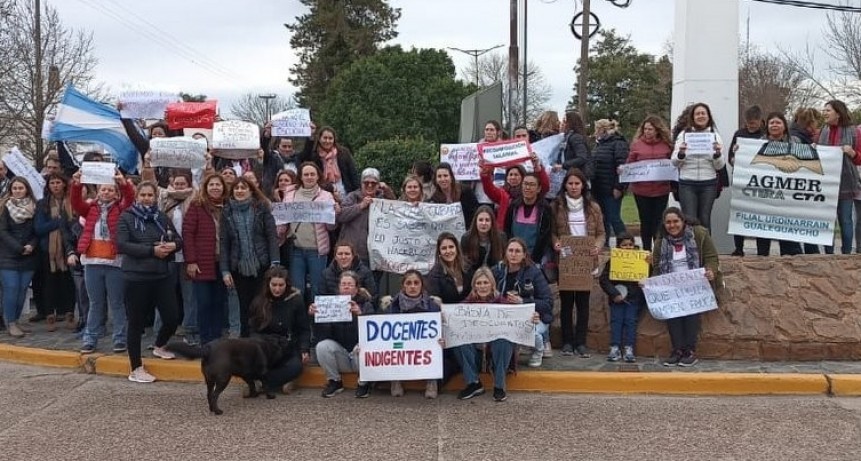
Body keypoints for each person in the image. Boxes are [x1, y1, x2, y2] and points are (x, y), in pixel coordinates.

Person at [117, 181, 183, 383]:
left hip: (161, 275)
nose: (147, 198)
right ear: (137, 196)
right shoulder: (126, 217)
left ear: (155, 197)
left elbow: (178, 240)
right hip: (136, 277)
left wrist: (173, 246)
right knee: (136, 323)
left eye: (150, 195)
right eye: (143, 195)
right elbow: (122, 245)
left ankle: (159, 345)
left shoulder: (161, 217)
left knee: (172, 317)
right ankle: (135, 367)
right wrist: (151, 251)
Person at [452, 267, 539, 402]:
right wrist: (445, 318)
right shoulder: (464, 306)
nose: (482, 286)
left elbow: (519, 326)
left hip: (496, 357)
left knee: (503, 340)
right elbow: (452, 321)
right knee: (458, 339)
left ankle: (499, 386)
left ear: (492, 284)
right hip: (476, 356)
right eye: (479, 283)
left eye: (485, 282)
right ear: (474, 286)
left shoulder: (503, 303)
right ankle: (473, 383)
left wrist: (531, 319)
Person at [72, 170, 135, 354]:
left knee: (117, 303)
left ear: (115, 194)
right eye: (103, 190)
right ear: (98, 192)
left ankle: (119, 339)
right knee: (95, 303)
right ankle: (90, 338)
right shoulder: (90, 208)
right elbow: (75, 203)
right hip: (92, 262)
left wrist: (123, 184)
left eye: (110, 190)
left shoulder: (120, 209)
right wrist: (77, 185)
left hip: (114, 262)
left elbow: (130, 200)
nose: (106, 192)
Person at [652, 207, 720, 367]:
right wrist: (651, 283)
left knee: (691, 316)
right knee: (672, 316)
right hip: (672, 288)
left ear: (683, 221)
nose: (672, 225)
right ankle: (677, 350)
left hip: (695, 286)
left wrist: (711, 271)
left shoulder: (700, 235)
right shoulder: (660, 242)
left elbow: (711, 257)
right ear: (664, 224)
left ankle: (689, 351)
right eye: (668, 222)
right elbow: (656, 266)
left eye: (675, 221)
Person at [552, 168, 605, 357]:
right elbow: (552, 232)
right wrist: (556, 243)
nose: (574, 187)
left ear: (583, 185)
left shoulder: (593, 207)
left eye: (577, 183)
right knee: (566, 303)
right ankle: (567, 341)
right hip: (566, 261)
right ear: (565, 185)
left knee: (583, 304)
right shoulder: (556, 206)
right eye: (570, 183)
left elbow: (601, 233)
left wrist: (597, 247)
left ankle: (581, 342)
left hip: (586, 260)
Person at [220, 177, 279, 338]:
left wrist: (275, 261)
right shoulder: (227, 211)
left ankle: (262, 338)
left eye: (243, 187)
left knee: (262, 304)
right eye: (236, 188)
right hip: (238, 266)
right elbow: (224, 243)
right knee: (244, 306)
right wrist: (225, 271)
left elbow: (271, 236)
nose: (239, 190)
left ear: (251, 190)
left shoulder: (261, 208)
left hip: (262, 264)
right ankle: (245, 341)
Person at [745, 113, 803, 256]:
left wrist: (815, 151)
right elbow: (747, 163)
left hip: (788, 196)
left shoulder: (795, 142)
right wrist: (739, 152)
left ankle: (790, 259)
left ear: (784, 126)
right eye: (772, 123)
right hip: (766, 195)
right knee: (763, 230)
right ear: (767, 126)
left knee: (788, 232)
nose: (775, 125)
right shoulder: (759, 143)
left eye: (778, 122)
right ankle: (762, 259)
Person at [248, 267, 310, 395]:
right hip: (266, 347)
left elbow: (304, 329)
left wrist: (304, 349)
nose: (277, 289)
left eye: (281, 285)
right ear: (268, 284)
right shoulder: (259, 301)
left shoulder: (296, 300)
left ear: (287, 284)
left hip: (288, 347)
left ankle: (262, 383)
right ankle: (277, 382)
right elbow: (252, 330)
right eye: (274, 285)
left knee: (296, 367)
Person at [491, 238, 553, 368]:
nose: (513, 254)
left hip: (533, 317)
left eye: (517, 251)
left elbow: (548, 303)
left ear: (524, 254)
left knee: (531, 332)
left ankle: (538, 350)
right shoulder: (497, 271)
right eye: (510, 251)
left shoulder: (534, 272)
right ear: (505, 253)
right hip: (504, 317)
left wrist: (523, 302)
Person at [313, 271, 375, 398]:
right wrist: (316, 316)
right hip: (342, 355)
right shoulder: (330, 305)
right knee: (322, 346)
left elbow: (372, 333)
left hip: (358, 355)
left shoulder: (366, 304)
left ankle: (364, 382)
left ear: (357, 288)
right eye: (343, 284)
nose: (346, 287)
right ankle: (335, 381)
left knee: (364, 346)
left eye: (350, 284)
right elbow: (323, 335)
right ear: (339, 287)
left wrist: (360, 314)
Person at [280, 162, 338, 300]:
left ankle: (315, 314)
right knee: (296, 290)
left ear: (318, 176)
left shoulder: (326, 196)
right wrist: (278, 234)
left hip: (317, 251)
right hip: (296, 250)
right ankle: (299, 314)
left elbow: (331, 228)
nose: (309, 177)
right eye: (306, 174)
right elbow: (283, 222)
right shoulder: (290, 195)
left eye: (312, 174)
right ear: (301, 177)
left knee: (317, 289)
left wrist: (334, 214)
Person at [183, 173, 228, 345]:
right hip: (202, 262)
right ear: (206, 187)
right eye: (211, 185)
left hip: (222, 263)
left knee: (219, 302)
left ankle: (216, 340)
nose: (215, 187)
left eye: (218, 184)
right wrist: (191, 261)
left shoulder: (228, 206)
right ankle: (206, 340)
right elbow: (187, 233)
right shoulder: (197, 206)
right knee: (204, 302)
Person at [386, 269, 442, 399]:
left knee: (435, 347)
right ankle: (395, 379)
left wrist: (441, 339)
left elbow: (440, 329)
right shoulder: (393, 305)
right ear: (403, 286)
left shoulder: (433, 306)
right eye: (409, 283)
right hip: (401, 344)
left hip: (424, 346)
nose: (412, 286)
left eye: (416, 283)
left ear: (422, 285)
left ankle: (431, 381)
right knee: (393, 347)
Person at [672, 102, 725, 232]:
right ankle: (690, 245)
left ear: (708, 116)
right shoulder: (684, 135)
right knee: (689, 219)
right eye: (697, 114)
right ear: (693, 117)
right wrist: (681, 154)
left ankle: (705, 245)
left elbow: (720, 166)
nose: (700, 116)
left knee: (704, 219)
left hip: (708, 183)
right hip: (687, 183)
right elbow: (674, 162)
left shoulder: (715, 136)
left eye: (703, 113)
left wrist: (717, 154)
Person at [34, 173, 77, 332]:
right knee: (49, 283)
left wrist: (63, 223)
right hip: (49, 250)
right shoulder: (43, 204)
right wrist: (60, 222)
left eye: (58, 182)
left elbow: (74, 225)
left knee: (68, 283)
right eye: (52, 183)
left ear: (64, 184)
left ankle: (69, 314)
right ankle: (49, 315)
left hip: (68, 248)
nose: (55, 186)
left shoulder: (71, 201)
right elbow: (39, 228)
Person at [819, 99, 861, 255]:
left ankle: (846, 254)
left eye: (828, 110)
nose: (824, 113)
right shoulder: (823, 131)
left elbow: (859, 158)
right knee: (828, 220)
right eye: (824, 110)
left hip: (846, 182)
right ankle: (829, 254)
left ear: (838, 113)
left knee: (845, 220)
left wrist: (852, 153)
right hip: (827, 182)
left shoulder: (854, 131)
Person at [627, 115, 673, 252]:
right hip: (641, 190)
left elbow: (673, 164)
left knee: (658, 222)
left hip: (661, 190)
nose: (647, 132)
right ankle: (646, 250)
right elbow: (630, 163)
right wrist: (624, 170)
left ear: (657, 130)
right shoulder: (637, 145)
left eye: (650, 129)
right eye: (645, 129)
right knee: (645, 221)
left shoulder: (666, 145)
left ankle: (658, 250)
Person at [0, 178, 38, 337]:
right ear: (10, 190)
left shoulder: (35, 207)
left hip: (29, 256)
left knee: (22, 290)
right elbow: (2, 231)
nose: (17, 191)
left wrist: (31, 245)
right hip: (8, 256)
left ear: (27, 189)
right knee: (11, 288)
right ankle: (10, 322)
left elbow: (37, 231)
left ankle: (16, 320)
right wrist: (19, 248)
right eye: (14, 188)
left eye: (20, 188)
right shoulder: (4, 207)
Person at [598, 233, 645, 363]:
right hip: (617, 298)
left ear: (634, 245)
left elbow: (647, 276)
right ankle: (615, 347)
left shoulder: (641, 260)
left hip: (633, 298)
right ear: (619, 246)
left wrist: (648, 266)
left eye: (630, 244)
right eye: (624, 245)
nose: (628, 247)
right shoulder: (613, 260)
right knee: (616, 321)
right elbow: (604, 279)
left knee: (630, 321)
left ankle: (629, 348)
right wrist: (614, 294)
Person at [336, 167, 395, 266]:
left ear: (378, 185)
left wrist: (388, 191)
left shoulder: (383, 199)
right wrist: (360, 206)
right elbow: (340, 216)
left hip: (375, 254)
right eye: (366, 183)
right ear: (361, 183)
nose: (370, 185)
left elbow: (397, 211)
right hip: (351, 253)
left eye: (373, 183)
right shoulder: (352, 196)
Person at [728, 106, 765, 256]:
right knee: (739, 214)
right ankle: (739, 248)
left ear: (760, 120)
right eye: (748, 123)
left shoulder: (765, 135)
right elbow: (730, 158)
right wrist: (735, 156)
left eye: (754, 123)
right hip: (742, 180)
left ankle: (762, 250)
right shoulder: (739, 134)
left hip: (761, 181)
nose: (751, 126)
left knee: (761, 216)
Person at [479, 152, 549, 229]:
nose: (513, 177)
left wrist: (538, 167)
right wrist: (485, 175)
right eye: (510, 175)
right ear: (506, 178)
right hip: (505, 231)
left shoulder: (528, 192)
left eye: (516, 175)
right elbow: (490, 191)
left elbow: (545, 187)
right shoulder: (503, 194)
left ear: (522, 177)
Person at [790, 107, 824, 255]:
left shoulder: (797, 135)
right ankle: (806, 250)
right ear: (810, 123)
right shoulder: (798, 138)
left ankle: (804, 249)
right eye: (816, 123)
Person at [591, 119, 628, 247]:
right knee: (602, 219)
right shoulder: (599, 145)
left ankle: (626, 244)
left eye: (597, 129)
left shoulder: (618, 143)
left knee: (614, 218)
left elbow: (622, 166)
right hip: (599, 188)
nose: (595, 132)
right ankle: (604, 245)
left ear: (603, 129)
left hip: (612, 189)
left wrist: (619, 187)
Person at [298, 126, 359, 197]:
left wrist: (357, 192)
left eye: (330, 138)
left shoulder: (343, 153)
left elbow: (352, 173)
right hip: (323, 192)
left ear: (334, 140)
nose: (327, 141)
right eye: (325, 138)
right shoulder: (314, 155)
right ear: (319, 139)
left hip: (344, 190)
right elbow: (303, 158)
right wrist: (311, 135)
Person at [426, 232, 470, 304]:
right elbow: (434, 299)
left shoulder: (468, 267)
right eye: (444, 248)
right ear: (439, 252)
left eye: (451, 247)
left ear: (457, 248)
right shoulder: (434, 275)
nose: (448, 251)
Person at [461, 205, 506, 274]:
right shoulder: (466, 238)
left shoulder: (501, 237)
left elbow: (503, 261)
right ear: (475, 221)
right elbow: (465, 264)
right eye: (480, 220)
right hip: (473, 275)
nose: (484, 223)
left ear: (492, 222)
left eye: (487, 220)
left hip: (495, 275)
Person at [556, 110, 593, 181]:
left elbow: (582, 158)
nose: (561, 123)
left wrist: (563, 165)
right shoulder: (567, 137)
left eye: (564, 121)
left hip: (579, 176)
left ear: (571, 123)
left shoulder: (576, 137)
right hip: (573, 175)